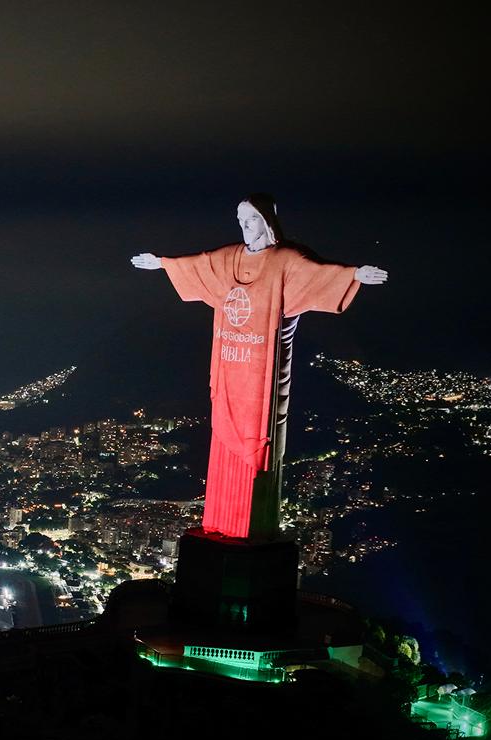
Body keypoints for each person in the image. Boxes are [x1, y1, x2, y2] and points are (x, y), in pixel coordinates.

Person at [132, 194, 387, 539]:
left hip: (261, 371)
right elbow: (199, 264)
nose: (244, 226)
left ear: (267, 220)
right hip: (229, 365)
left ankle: (252, 523)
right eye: (240, 219)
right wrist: (161, 263)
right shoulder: (231, 257)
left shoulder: (285, 259)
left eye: (251, 219)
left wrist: (355, 274)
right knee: (222, 433)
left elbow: (317, 275)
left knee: (261, 434)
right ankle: (222, 522)